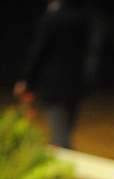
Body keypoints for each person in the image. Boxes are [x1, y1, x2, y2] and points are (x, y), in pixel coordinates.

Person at [13, 0, 89, 149]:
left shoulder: (51, 19)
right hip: (76, 84)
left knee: (60, 139)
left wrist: (27, 80)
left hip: (54, 86)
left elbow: (38, 53)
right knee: (66, 132)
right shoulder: (82, 18)